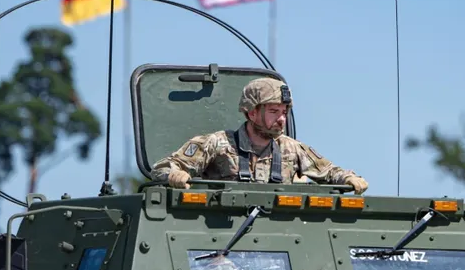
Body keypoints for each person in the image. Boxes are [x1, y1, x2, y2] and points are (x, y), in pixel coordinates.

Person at [149, 77, 369, 194]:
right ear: (252, 112)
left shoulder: (291, 149)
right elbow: (161, 168)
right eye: (274, 112)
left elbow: (329, 172)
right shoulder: (217, 144)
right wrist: (174, 175)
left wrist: (349, 178)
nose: (281, 119)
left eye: (284, 112)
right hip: (221, 240)